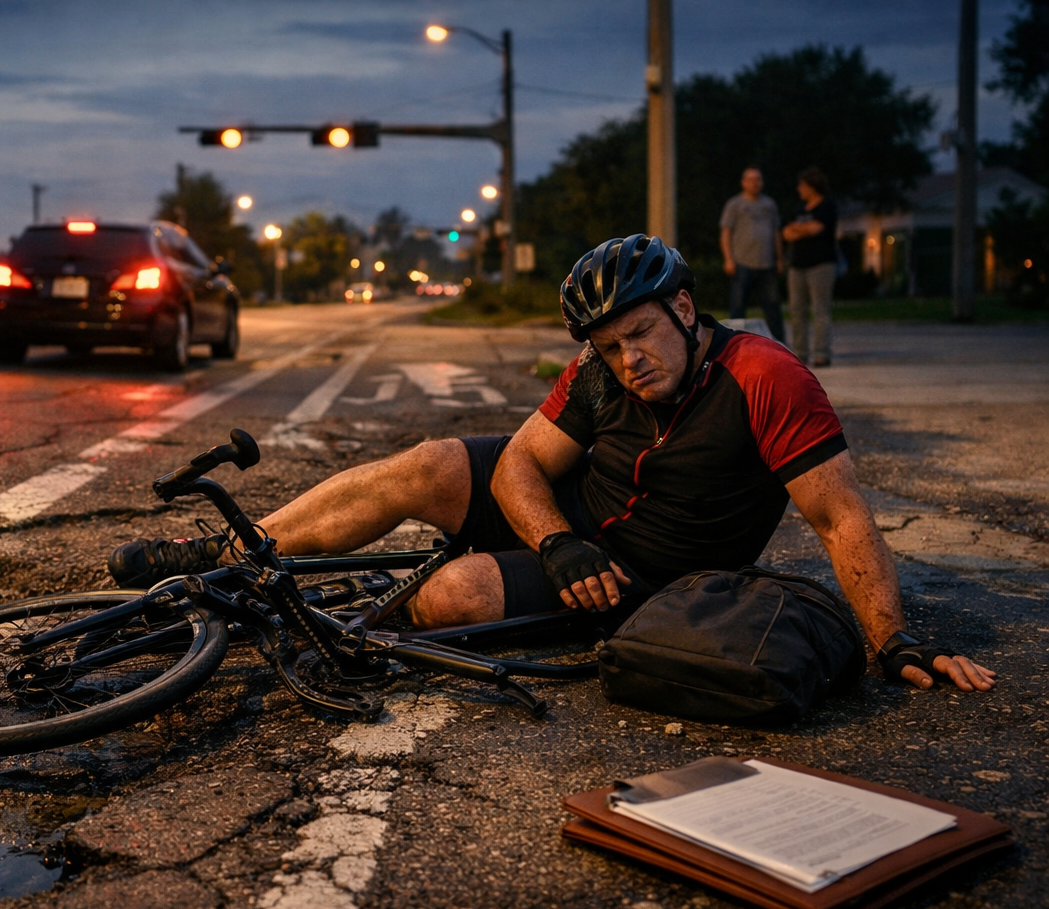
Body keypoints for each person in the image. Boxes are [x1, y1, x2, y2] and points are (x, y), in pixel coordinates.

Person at [108, 235, 995, 693]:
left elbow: (842, 518)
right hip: (572, 527)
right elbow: (523, 466)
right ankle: (233, 554)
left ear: (685, 308)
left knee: (454, 597)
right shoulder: (603, 372)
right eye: (609, 346)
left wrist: (894, 641)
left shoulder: (767, 379)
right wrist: (556, 539)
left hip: (644, 572)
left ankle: (368, 621)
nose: (628, 359)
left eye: (641, 333)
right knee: (426, 464)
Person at [719, 166, 786, 343]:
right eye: (751, 179)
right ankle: (734, 345)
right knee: (738, 306)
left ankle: (780, 345)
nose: (755, 183)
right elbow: (726, 233)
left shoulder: (769, 204)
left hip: (767, 264)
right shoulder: (735, 205)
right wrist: (728, 259)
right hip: (742, 263)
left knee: (772, 307)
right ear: (743, 182)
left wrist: (779, 258)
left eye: (758, 179)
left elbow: (776, 233)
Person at [782, 166, 839, 367]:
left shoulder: (827, 206)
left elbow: (817, 228)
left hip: (821, 265)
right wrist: (803, 229)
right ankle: (800, 354)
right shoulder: (799, 209)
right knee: (796, 311)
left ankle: (821, 353)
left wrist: (800, 229)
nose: (799, 189)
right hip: (797, 265)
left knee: (820, 310)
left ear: (812, 186)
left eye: (802, 185)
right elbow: (787, 233)